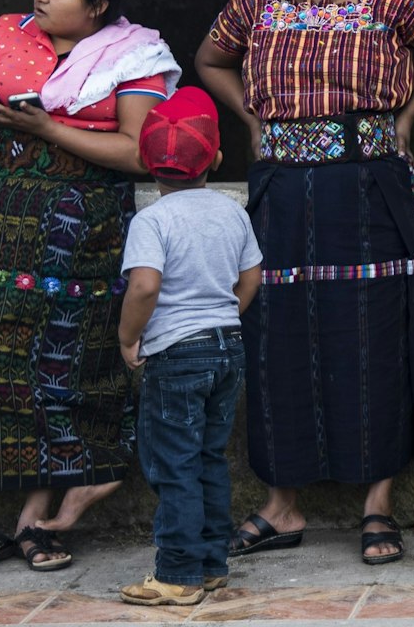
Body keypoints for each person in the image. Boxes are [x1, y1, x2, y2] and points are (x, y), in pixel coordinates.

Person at [196, 0, 414, 565]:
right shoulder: (252, 6)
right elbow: (210, 60)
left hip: (369, 188)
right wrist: (252, 121)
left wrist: (406, 118)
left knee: (375, 335)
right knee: (275, 335)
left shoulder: (392, 2)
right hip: (282, 192)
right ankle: (281, 505)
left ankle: (377, 504)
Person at [0, 0, 180, 575]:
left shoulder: (135, 55)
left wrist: (48, 128)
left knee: (70, 369)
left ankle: (37, 520)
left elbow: (138, 153)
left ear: (97, 6)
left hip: (86, 238)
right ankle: (4, 518)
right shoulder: (4, 35)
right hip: (2, 228)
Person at [116, 87, 262, 609]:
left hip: (176, 355)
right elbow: (250, 278)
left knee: (173, 463)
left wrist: (128, 336)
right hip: (228, 347)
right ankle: (210, 565)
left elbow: (145, 287)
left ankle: (177, 575)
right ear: (217, 159)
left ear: (142, 161)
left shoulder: (152, 221)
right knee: (208, 457)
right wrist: (223, 318)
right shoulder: (231, 213)